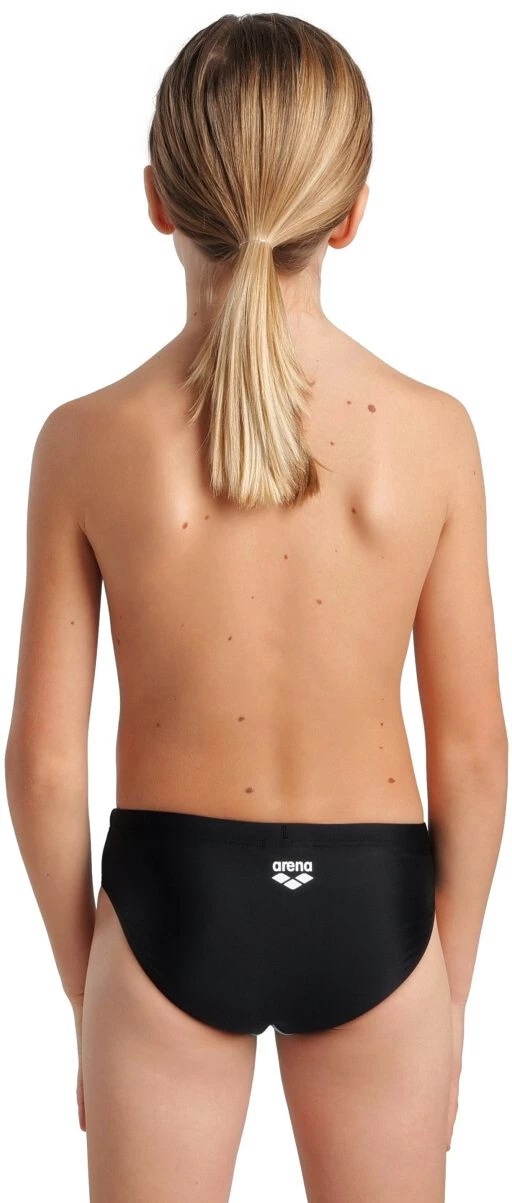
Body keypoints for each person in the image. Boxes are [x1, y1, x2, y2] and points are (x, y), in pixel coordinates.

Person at [4, 12, 507, 1203]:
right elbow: (473, 752)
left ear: (156, 199)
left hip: (168, 900)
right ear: (349, 213)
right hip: (376, 909)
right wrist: (445, 993)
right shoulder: (431, 436)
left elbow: (43, 766)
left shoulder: (85, 440)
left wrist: (89, 989)